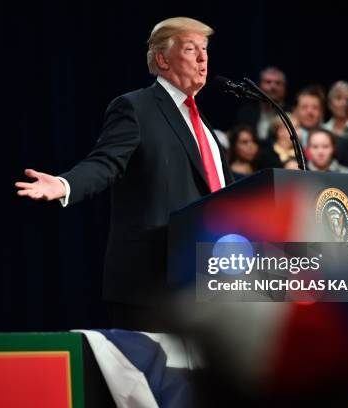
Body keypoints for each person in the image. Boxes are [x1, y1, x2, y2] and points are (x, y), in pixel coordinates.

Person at [15, 17, 233, 329]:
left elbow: (223, 190)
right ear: (163, 58)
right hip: (152, 285)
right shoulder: (136, 108)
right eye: (190, 49)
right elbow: (105, 163)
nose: (203, 58)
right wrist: (65, 184)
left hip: (205, 286)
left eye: (205, 49)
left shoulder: (203, 125)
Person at [234, 67, 289, 141]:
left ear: (284, 88)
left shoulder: (290, 113)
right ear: (259, 85)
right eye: (268, 82)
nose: (273, 87)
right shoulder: (246, 112)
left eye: (278, 83)